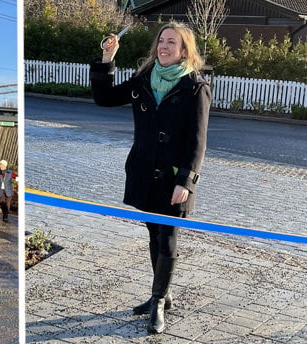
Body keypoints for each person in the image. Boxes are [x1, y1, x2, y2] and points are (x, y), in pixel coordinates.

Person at [91, 21, 210, 334]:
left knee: (168, 236)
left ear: (185, 50)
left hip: (174, 179)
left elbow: (198, 141)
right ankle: (164, 294)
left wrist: (186, 182)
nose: (164, 47)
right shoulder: (144, 79)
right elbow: (104, 98)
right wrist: (108, 60)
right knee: (153, 233)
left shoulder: (194, 86)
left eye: (172, 43)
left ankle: (157, 301)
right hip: (145, 172)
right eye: (161, 41)